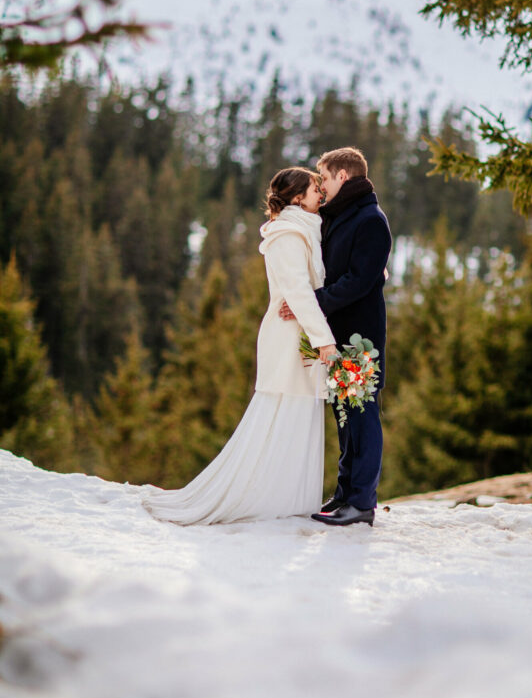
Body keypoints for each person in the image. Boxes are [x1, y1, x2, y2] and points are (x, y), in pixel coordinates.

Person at [141, 167, 337, 524]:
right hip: (289, 338)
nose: (320, 194)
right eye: (314, 189)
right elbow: (297, 292)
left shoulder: (305, 230)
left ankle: (289, 499)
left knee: (298, 417)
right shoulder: (289, 235)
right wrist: (325, 342)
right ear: (296, 198)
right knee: (281, 416)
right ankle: (267, 499)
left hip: (302, 335)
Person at [280, 147, 392, 528]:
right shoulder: (341, 217)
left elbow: (358, 282)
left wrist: (310, 303)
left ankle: (362, 502)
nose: (321, 185)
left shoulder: (371, 220)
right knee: (344, 417)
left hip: (361, 337)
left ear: (342, 176)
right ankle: (344, 493)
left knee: (362, 416)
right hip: (336, 335)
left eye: (324, 177)